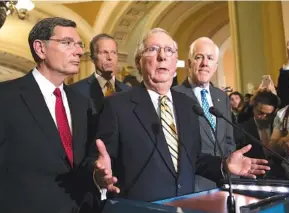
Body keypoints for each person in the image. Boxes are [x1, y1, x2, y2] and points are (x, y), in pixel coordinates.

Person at [91, 28, 270, 202]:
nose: (162, 56)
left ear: (175, 62)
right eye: (153, 49)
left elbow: (195, 159)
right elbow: (98, 160)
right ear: (139, 62)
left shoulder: (187, 105)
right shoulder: (117, 106)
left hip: (185, 205)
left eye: (169, 50)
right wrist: (98, 175)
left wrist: (224, 165)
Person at [0, 17, 98, 213]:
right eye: (67, 43)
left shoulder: (83, 104)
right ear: (40, 48)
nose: (79, 51)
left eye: (79, 44)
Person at [173, 37, 236, 191]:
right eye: (199, 57)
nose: (204, 63)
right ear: (189, 63)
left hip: (224, 183)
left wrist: (229, 170)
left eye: (210, 58)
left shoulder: (222, 97)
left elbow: (229, 140)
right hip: (193, 184)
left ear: (215, 66)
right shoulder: (175, 95)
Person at [70, 33, 130, 114]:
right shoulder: (76, 91)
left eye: (113, 52)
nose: (109, 57)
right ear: (92, 58)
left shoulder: (128, 91)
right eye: (104, 52)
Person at [234, 90, 284, 179]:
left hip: (279, 176)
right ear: (253, 108)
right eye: (260, 113)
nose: (264, 117)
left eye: (269, 115)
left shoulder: (280, 127)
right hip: (252, 176)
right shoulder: (241, 129)